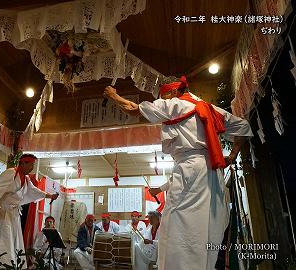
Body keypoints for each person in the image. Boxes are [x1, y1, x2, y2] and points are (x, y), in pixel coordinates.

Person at [103, 76, 253, 270]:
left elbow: (133, 109)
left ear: (174, 92)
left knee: (178, 225)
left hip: (189, 168)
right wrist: (232, 156)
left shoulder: (173, 105)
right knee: (207, 225)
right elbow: (243, 126)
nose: (162, 99)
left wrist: (113, 96)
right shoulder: (209, 107)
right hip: (213, 172)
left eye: (163, 95)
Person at [0, 154, 59, 268]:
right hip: (3, 212)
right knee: (4, 239)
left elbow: (34, 191)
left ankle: (13, 265)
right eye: (31, 165)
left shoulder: (26, 179)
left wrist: (50, 196)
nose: (32, 168)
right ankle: (0, 265)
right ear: (23, 163)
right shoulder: (11, 173)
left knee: (14, 240)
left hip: (14, 213)